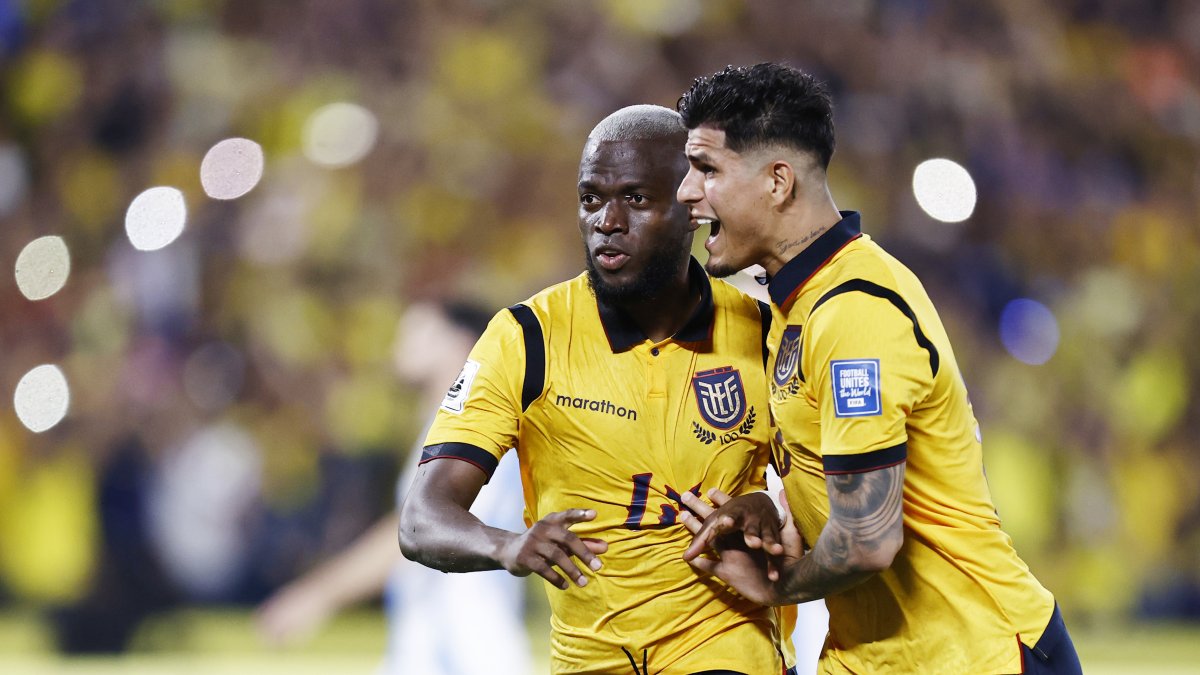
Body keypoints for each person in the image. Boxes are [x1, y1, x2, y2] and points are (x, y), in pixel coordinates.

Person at [673, 63, 1082, 674]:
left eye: (707, 169)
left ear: (779, 182)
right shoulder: (798, 304)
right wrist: (771, 505)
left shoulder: (854, 311)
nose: (686, 191)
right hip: (874, 654)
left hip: (976, 653)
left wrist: (777, 586)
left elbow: (868, 540)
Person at [399, 104, 797, 675]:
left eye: (635, 198)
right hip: (586, 662)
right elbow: (421, 519)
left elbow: (835, 503)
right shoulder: (527, 337)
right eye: (591, 199)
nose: (607, 221)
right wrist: (506, 546)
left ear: (692, 207)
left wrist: (768, 508)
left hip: (731, 652)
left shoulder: (765, 334)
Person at [256, 301, 532, 675]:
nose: (402, 341)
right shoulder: (448, 430)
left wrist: (317, 595)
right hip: (437, 646)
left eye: (420, 330)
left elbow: (415, 530)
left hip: (465, 648)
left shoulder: (477, 433)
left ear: (462, 344)